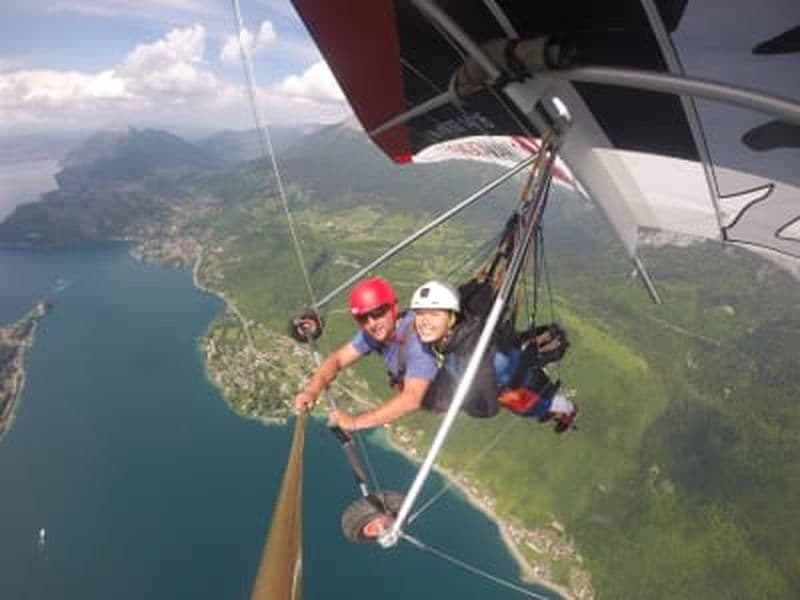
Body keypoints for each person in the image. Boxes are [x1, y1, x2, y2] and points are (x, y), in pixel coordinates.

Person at [411, 280, 578, 433]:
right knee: (524, 359)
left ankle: (542, 347)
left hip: (500, 356)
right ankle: (542, 347)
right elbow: (500, 397)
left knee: (522, 360)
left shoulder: (458, 372)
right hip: (502, 358)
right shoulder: (459, 374)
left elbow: (500, 397)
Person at [294, 277, 438, 432]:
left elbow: (413, 397)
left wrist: (355, 422)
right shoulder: (373, 334)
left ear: (393, 308)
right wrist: (311, 391)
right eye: (363, 318)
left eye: (378, 313)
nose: (372, 323)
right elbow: (338, 360)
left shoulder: (416, 339)